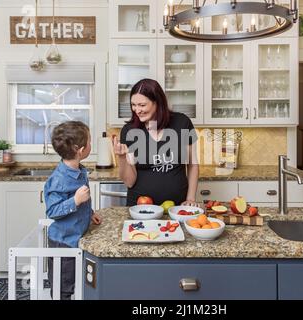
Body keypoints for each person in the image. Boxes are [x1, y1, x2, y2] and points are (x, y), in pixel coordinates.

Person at [113, 78, 199, 206]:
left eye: (142, 105)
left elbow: (193, 165)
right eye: (133, 105)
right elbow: (129, 182)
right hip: (140, 208)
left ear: (157, 102)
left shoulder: (182, 122)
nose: (137, 110)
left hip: (177, 207)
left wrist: (191, 198)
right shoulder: (129, 131)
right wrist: (121, 157)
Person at [44, 121, 102, 300]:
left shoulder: (79, 170)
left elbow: (82, 202)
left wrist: (89, 213)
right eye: (90, 141)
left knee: (76, 282)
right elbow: (52, 210)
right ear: (80, 149)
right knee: (63, 289)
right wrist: (75, 201)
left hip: (76, 238)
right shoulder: (59, 179)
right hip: (63, 243)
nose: (91, 145)